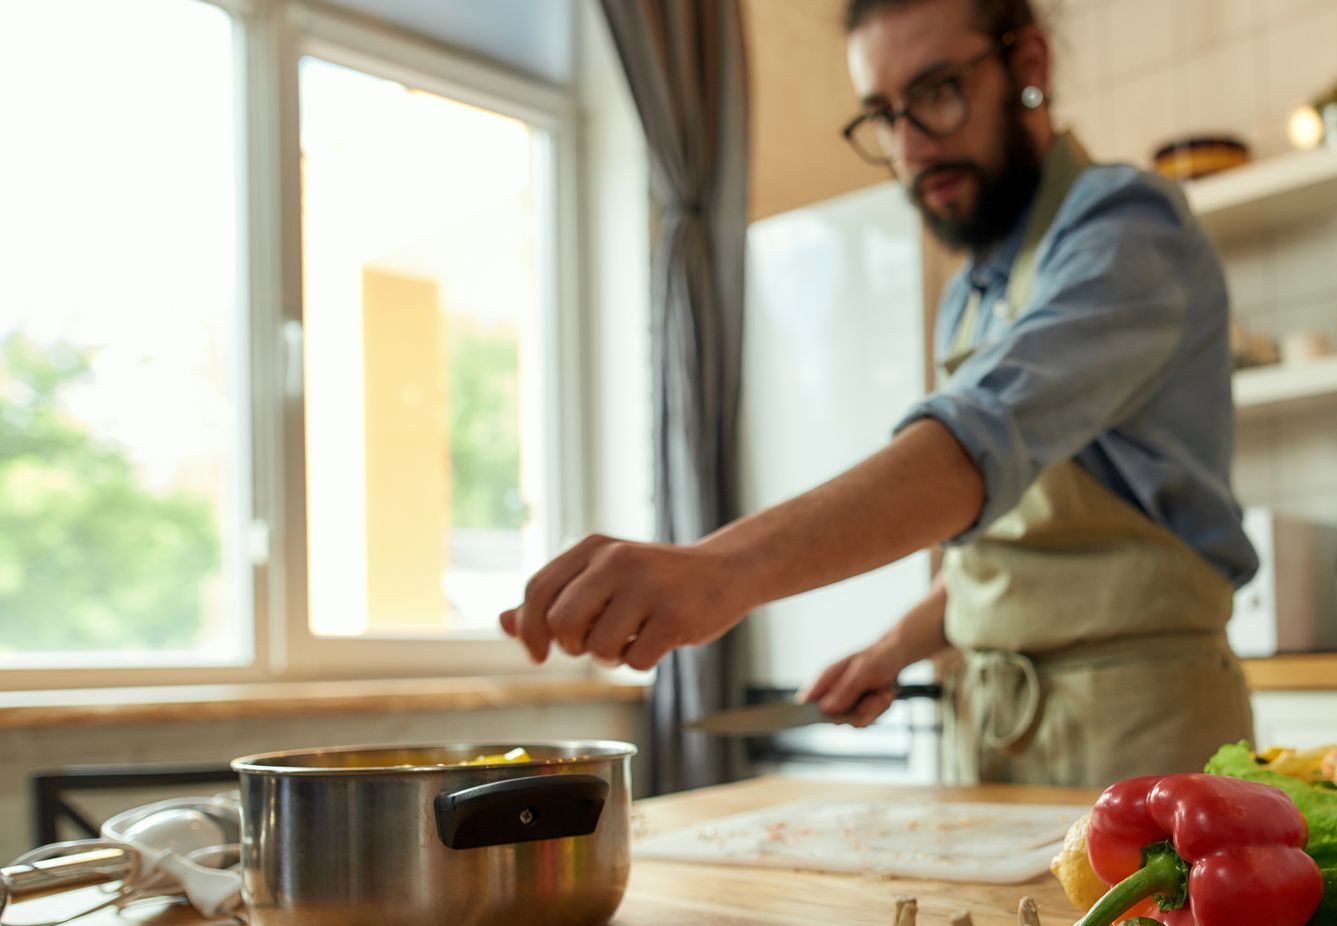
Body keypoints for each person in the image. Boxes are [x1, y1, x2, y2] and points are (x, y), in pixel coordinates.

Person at [501, 0, 1257, 787]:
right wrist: (894, 648)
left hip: (1146, 723)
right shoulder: (968, 294)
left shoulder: (1129, 228)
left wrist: (719, 569)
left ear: (1028, 67)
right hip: (992, 721)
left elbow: (979, 441)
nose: (909, 145)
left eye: (935, 93)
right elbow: (1004, 553)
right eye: (883, 116)